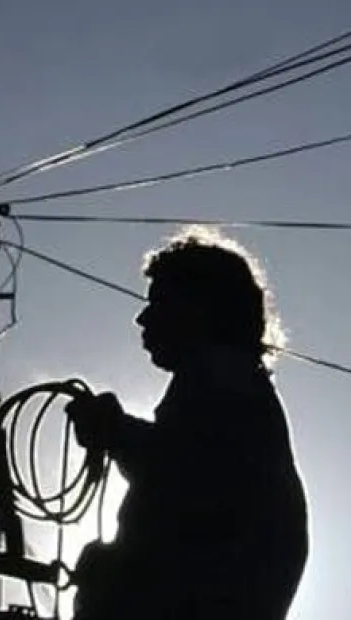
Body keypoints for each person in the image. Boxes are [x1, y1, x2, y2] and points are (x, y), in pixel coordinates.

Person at [66, 226, 309, 619]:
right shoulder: (238, 386)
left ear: (201, 306)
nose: (142, 317)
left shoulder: (220, 374)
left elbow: (184, 473)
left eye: (159, 301)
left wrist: (116, 430)